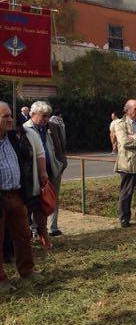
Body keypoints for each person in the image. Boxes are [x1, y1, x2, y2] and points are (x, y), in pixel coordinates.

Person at [0, 102, 42, 294]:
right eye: (5, 117)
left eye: (10, 115)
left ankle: (27, 270)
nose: (10, 120)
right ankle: (1, 280)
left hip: (16, 194)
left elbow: (26, 156)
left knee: (23, 235)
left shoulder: (13, 137)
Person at [24, 101, 67, 237]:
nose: (46, 119)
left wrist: (62, 163)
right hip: (33, 171)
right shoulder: (25, 128)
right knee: (35, 200)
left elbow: (61, 145)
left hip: (53, 168)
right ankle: (35, 228)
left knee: (53, 197)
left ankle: (53, 227)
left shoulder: (53, 127)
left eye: (48, 116)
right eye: (43, 116)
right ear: (33, 114)